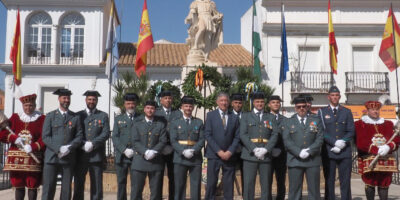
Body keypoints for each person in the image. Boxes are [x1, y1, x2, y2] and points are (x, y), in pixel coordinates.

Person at [0, 94, 45, 200]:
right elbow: (2, 135)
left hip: (33, 158)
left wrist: (34, 146)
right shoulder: (15, 118)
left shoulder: (42, 119)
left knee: (32, 185)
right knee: (18, 185)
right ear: (22, 106)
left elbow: (45, 137)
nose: (28, 108)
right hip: (16, 159)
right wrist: (13, 138)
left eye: (30, 105)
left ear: (34, 105)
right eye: (26, 106)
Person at [41, 89, 83, 200]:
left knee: (66, 189)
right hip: (52, 157)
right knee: (48, 187)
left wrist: (69, 147)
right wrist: (58, 148)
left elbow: (79, 136)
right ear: (59, 99)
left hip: (68, 157)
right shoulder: (50, 116)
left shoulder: (75, 117)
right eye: (64, 98)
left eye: (68, 98)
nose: (66, 100)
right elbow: (45, 136)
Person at [355, 100, 400, 200]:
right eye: (372, 109)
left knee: (384, 183)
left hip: (386, 159)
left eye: (377, 109)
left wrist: (389, 147)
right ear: (368, 110)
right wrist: (374, 149)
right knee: (370, 183)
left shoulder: (388, 124)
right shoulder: (360, 124)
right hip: (369, 158)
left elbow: (396, 139)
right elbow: (360, 142)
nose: (375, 111)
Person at [282, 97, 323, 200]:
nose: (301, 109)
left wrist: (309, 151)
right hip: (295, 160)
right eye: (298, 107)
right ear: (295, 108)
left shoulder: (316, 120)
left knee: (314, 190)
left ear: (307, 107)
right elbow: (287, 140)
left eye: (303, 106)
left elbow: (320, 139)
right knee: (294, 190)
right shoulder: (288, 121)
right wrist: (298, 152)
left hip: (312, 160)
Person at [240, 92, 278, 200]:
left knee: (266, 184)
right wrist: (254, 148)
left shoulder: (270, 117)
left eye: (262, 101)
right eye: (257, 101)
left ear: (265, 103)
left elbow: (275, 134)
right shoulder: (246, 116)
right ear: (253, 102)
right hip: (250, 155)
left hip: (266, 155)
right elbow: (243, 134)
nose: (260, 104)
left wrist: (266, 149)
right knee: (248, 184)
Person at [319, 86, 354, 200]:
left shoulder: (347, 112)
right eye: (332, 95)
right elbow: (321, 132)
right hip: (329, 151)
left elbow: (351, 130)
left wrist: (342, 142)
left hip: (345, 151)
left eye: (337, 95)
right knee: (329, 180)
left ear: (340, 96)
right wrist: (334, 142)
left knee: (345, 181)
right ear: (328, 97)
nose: (335, 97)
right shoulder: (322, 112)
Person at [73, 90, 110, 200]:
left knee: (97, 186)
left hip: (96, 156)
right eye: (89, 99)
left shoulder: (103, 115)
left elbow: (106, 133)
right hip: (81, 155)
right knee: (79, 184)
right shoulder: (78, 115)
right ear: (85, 100)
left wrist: (93, 143)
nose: (91, 101)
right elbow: (74, 133)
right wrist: (82, 144)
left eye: (94, 99)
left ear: (97, 101)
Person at [204, 92, 240, 200]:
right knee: (211, 182)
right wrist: (219, 151)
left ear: (229, 103)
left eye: (226, 101)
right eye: (221, 101)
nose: (224, 103)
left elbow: (237, 136)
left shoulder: (234, 117)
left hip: (229, 155)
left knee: (229, 183)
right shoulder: (210, 115)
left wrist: (230, 151)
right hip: (214, 154)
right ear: (217, 102)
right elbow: (207, 134)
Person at [170, 96, 205, 200]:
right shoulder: (175, 122)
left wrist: (194, 150)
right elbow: (173, 140)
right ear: (182, 107)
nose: (188, 108)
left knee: (196, 185)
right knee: (179, 185)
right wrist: (183, 151)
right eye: (186, 106)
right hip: (180, 157)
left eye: (190, 106)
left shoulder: (199, 122)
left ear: (193, 107)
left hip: (195, 158)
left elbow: (202, 139)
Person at [131, 100, 167, 200]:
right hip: (140, 161)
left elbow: (163, 140)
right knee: (136, 191)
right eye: (148, 108)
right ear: (144, 109)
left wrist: (154, 151)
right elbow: (135, 141)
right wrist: (145, 151)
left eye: (152, 108)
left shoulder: (160, 124)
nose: (150, 110)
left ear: (155, 110)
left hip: (155, 162)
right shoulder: (137, 123)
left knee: (155, 192)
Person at [112, 93, 141, 200]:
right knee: (121, 182)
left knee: (136, 183)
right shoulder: (118, 119)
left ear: (136, 104)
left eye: (132, 103)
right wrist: (124, 150)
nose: (130, 106)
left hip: (136, 156)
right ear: (124, 105)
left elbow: (143, 138)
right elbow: (115, 136)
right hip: (122, 156)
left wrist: (134, 150)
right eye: (128, 103)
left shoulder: (141, 118)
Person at [155, 90, 182, 200]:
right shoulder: (156, 113)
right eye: (165, 98)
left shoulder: (178, 113)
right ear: (161, 100)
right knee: (158, 176)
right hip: (159, 148)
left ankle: (172, 197)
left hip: (173, 148)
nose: (168, 100)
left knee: (173, 176)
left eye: (169, 98)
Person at [267, 95, 287, 200]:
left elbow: (287, 136)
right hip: (267, 154)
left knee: (281, 180)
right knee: (267, 180)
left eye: (278, 102)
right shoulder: (265, 118)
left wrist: (280, 149)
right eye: (273, 102)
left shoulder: (285, 120)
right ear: (269, 104)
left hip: (281, 154)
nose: (276, 104)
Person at [230, 93, 244, 195]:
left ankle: (245, 195)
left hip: (244, 150)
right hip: (231, 150)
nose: (238, 105)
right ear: (232, 104)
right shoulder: (228, 115)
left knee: (246, 176)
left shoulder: (247, 115)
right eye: (236, 103)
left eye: (239, 103)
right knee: (229, 175)